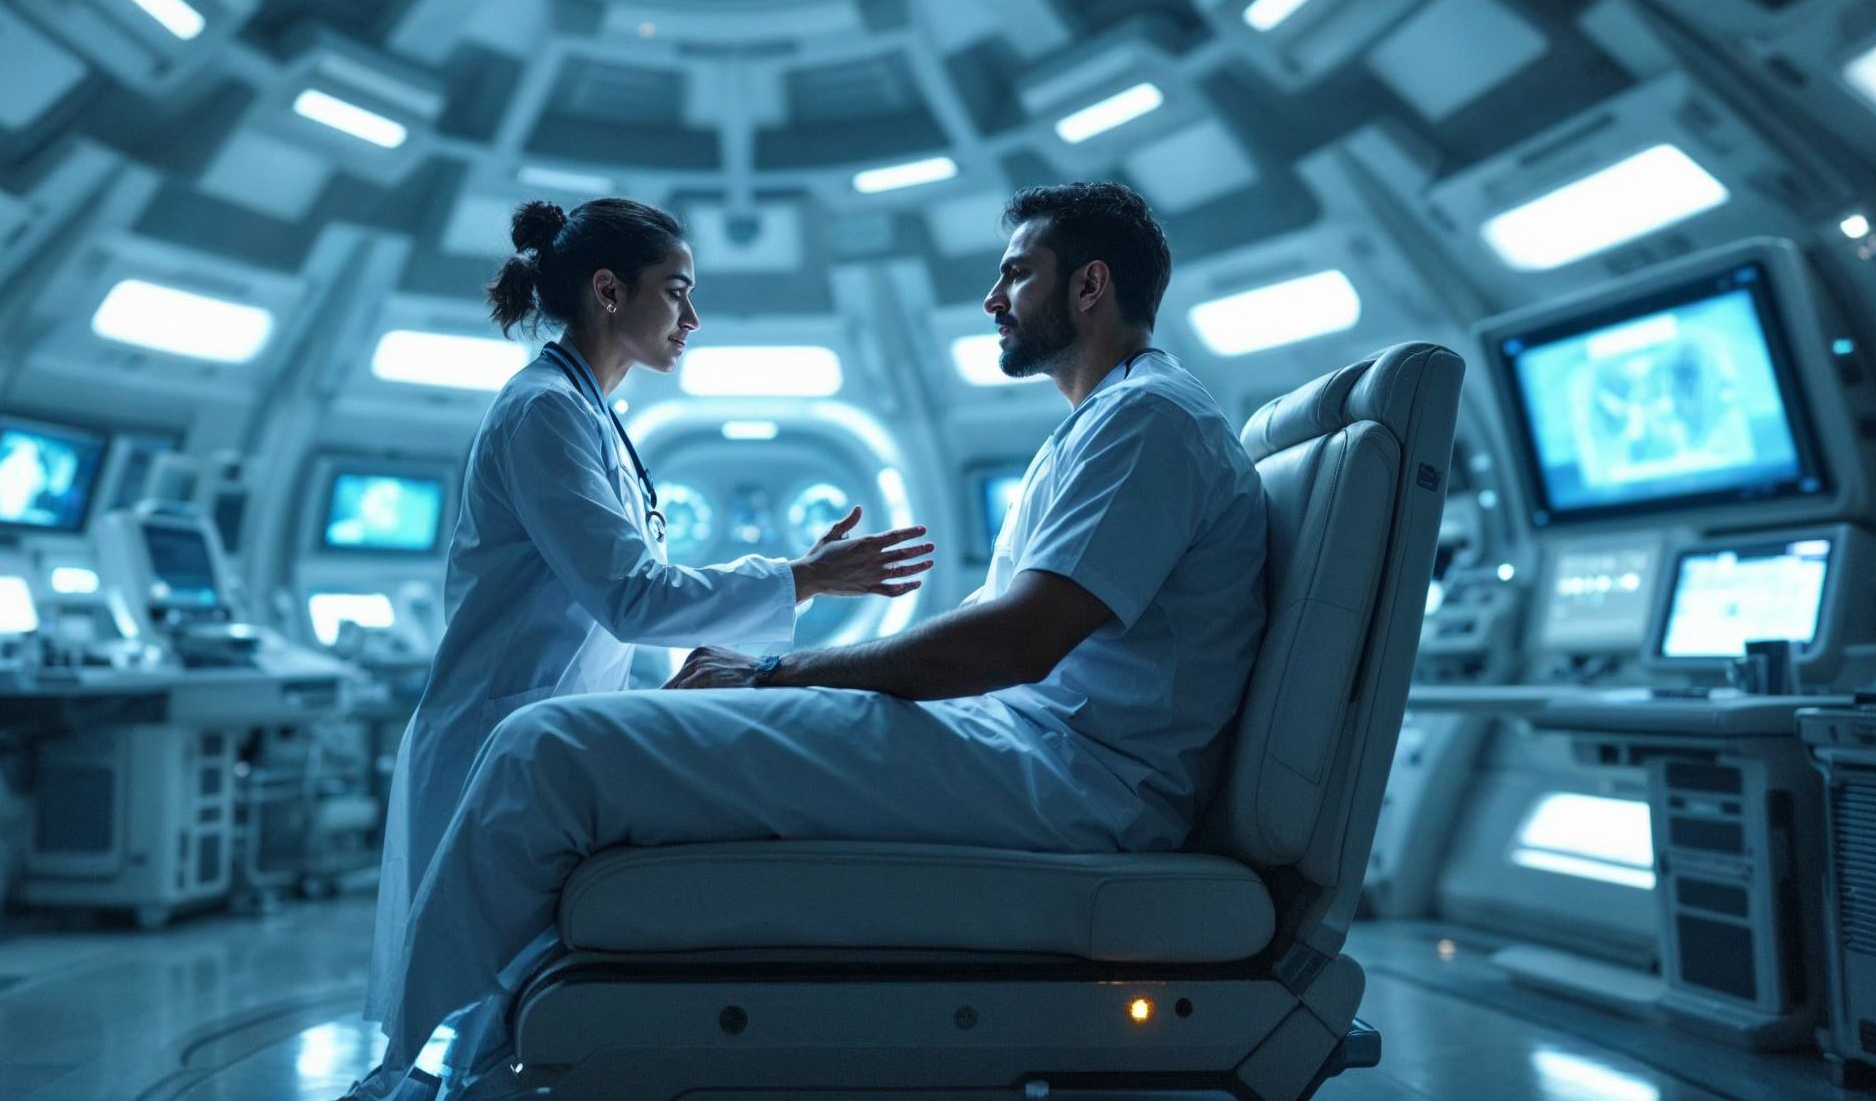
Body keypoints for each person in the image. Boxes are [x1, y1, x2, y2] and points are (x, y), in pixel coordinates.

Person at [364, 181, 1271, 1101]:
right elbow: (998, 636)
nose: (992, 299)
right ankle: (442, 1056)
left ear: (1089, 285)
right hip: (1035, 744)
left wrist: (773, 672)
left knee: (544, 749)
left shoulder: (1147, 420)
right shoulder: (1101, 427)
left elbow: (1015, 643)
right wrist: (787, 649)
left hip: (1075, 776)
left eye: (1015, 274)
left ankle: (421, 1073)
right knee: (550, 744)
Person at [348, 197, 936, 1101]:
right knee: (450, 1018)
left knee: (489, 1009)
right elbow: (632, 598)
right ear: (609, 291)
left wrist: (763, 614)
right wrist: (803, 579)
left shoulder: (592, 417)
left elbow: (621, 600)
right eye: (678, 291)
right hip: (494, 741)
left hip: (540, 739)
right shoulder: (543, 413)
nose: (693, 318)